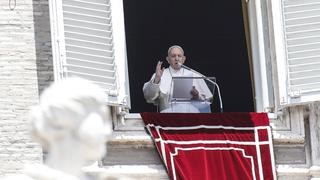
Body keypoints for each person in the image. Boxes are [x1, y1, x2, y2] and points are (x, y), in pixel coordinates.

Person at [143, 45, 213, 113]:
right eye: (173, 56)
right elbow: (149, 98)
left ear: (183, 59)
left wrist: (197, 96)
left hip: (192, 118)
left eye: (179, 56)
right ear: (168, 59)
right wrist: (157, 80)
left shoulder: (194, 75)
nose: (177, 58)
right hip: (167, 118)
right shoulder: (160, 75)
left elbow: (207, 102)